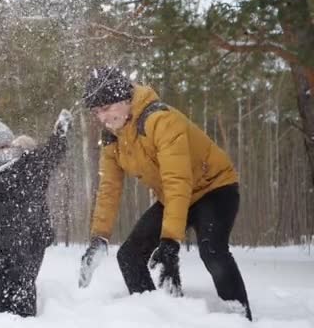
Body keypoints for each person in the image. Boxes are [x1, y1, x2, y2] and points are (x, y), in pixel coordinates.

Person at [78, 67, 252, 320]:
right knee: (128, 256)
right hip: (173, 197)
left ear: (124, 99)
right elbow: (109, 189)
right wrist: (99, 239)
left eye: (106, 108)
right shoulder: (112, 139)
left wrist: (170, 241)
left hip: (214, 188)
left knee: (212, 251)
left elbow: (177, 180)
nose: (102, 117)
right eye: (96, 112)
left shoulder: (159, 120)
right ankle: (163, 317)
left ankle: (240, 317)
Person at [0, 109, 73, 317]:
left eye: (4, 146)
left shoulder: (28, 165)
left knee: (24, 279)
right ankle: (5, 315)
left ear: (12, 144)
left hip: (34, 236)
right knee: (8, 280)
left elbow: (49, 156)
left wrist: (59, 135)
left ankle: (23, 316)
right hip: (5, 245)